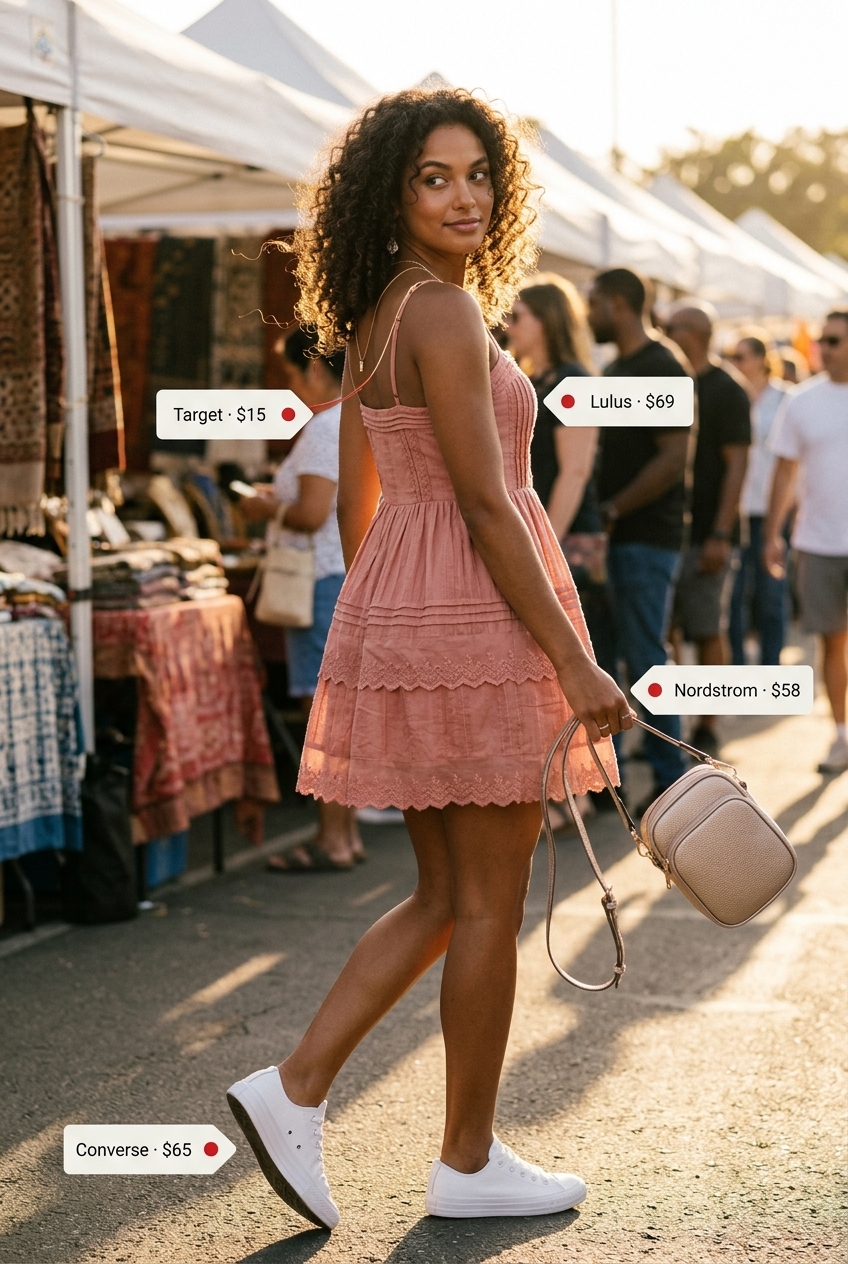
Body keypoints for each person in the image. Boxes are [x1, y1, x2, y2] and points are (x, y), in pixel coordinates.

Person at [226, 88, 633, 1231]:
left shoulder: (380, 311)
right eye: (432, 178)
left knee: (447, 895)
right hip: (477, 611)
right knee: (486, 903)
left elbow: (363, 501)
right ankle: (462, 1160)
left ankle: (294, 1087)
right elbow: (490, 503)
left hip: (410, 607)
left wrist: (388, 616)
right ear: (390, 194)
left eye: (475, 175)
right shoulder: (446, 317)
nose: (463, 197)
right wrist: (573, 658)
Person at [240, 330, 364, 870]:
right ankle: (345, 835)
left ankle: (331, 837)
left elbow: (312, 514)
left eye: (292, 375)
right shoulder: (354, 420)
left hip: (318, 581)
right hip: (340, 578)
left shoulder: (323, 427)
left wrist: (264, 508)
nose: (293, 386)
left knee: (323, 715)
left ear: (314, 369)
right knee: (339, 714)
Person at [507, 275, 617, 814]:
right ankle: (566, 786)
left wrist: (539, 540)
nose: (508, 325)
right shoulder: (528, 377)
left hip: (565, 534)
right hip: (539, 533)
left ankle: (589, 788)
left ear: (547, 319)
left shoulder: (574, 379)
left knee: (571, 658)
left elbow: (575, 472)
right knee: (543, 661)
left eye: (518, 315)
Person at [587, 268, 690, 810]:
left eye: (595, 302)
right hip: (615, 539)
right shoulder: (618, 368)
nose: (588, 312)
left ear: (621, 306)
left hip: (648, 538)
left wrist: (613, 508)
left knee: (647, 658)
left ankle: (673, 780)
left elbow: (674, 458)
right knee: (607, 656)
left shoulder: (661, 364)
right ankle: (612, 780)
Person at [765, 310, 848, 774]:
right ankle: (841, 736)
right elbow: (784, 470)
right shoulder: (801, 401)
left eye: (834, 340)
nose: (825, 347)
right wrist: (771, 534)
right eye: (822, 339)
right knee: (832, 643)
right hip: (817, 541)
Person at [666, 305, 751, 757]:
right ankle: (678, 721)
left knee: (706, 629)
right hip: (669, 531)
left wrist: (720, 532)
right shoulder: (669, 383)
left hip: (708, 534)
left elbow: (737, 463)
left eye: (672, 327)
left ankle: (708, 724)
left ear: (695, 334)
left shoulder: (726, 389)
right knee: (673, 632)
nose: (664, 332)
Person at [727, 332, 789, 667]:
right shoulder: (733, 395)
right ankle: (738, 667)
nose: (736, 363)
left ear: (762, 359)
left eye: (741, 356)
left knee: (770, 594)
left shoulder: (784, 398)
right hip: (738, 507)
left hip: (771, 508)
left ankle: (770, 667)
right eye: (733, 357)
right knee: (735, 595)